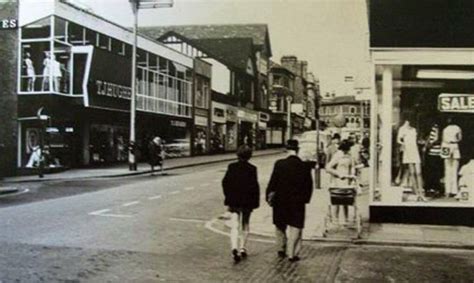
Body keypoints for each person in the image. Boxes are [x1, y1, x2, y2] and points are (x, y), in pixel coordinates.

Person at [266, 139, 313, 262]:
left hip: (280, 201)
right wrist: (305, 199)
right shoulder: (304, 166)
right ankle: (292, 254)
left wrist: (269, 197)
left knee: (280, 225)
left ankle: (281, 249)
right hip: (297, 202)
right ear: (297, 150)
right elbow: (309, 186)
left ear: (286, 149)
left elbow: (272, 183)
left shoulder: (279, 164)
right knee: (296, 226)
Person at [222, 145, 260, 263]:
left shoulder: (231, 167)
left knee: (235, 225)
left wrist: (228, 196)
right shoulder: (252, 168)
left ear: (237, 155)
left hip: (234, 200)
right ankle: (243, 248)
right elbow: (254, 186)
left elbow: (225, 182)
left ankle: (234, 247)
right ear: (250, 156)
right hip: (247, 201)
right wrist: (255, 202)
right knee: (245, 224)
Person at [325, 140, 359, 224]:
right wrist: (338, 174)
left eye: (347, 150)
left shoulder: (350, 156)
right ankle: (335, 220)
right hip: (338, 181)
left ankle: (345, 220)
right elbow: (328, 168)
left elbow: (352, 166)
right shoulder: (337, 156)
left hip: (348, 181)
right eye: (345, 150)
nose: (346, 151)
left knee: (346, 201)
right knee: (336, 200)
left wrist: (353, 174)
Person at [397, 118, 425, 201]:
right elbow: (398, 140)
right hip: (408, 151)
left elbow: (416, 140)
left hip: (415, 150)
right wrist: (404, 144)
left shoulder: (414, 129)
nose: (408, 122)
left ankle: (421, 192)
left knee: (419, 172)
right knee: (412, 172)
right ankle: (417, 193)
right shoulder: (402, 129)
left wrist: (421, 142)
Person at [441, 117, 462, 198]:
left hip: (446, 145)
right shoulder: (457, 128)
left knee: (447, 169)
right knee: (454, 169)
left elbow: (443, 139)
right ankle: (454, 190)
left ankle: (447, 191)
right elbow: (459, 138)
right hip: (454, 145)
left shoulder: (445, 129)